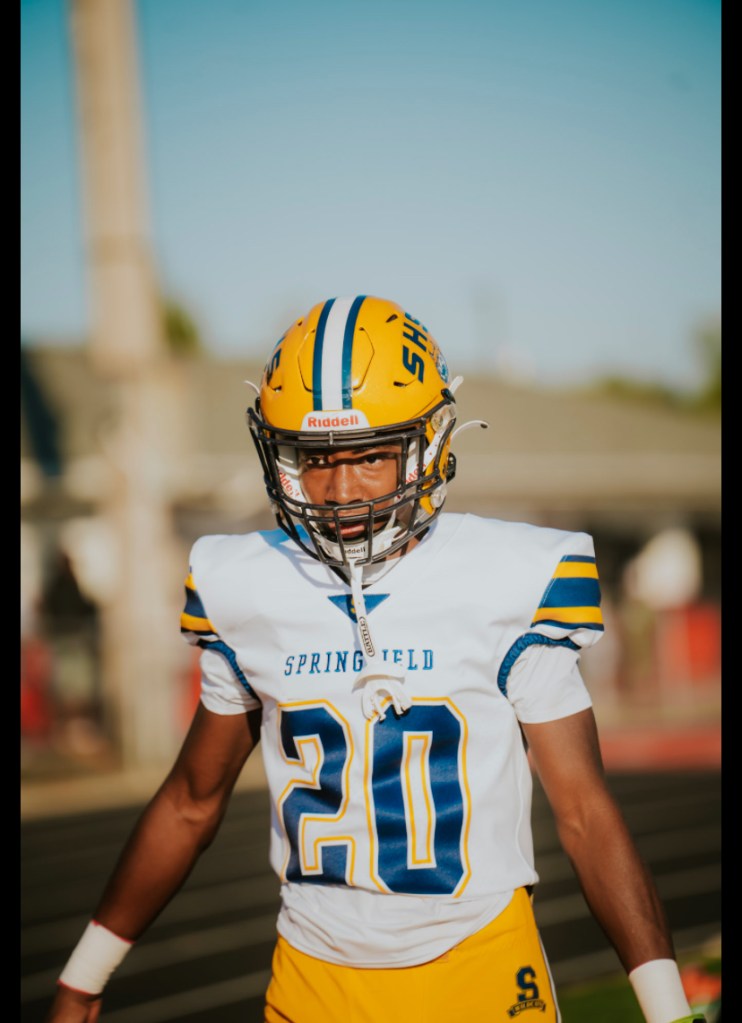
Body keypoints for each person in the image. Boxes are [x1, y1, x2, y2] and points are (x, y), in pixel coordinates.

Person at [46, 295, 705, 1023]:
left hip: (476, 965)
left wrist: (667, 1008)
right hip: (311, 977)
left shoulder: (511, 576)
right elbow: (190, 801)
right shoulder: (246, 584)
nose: (340, 490)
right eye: (315, 459)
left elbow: (583, 811)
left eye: (369, 455)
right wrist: (83, 976)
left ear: (430, 444)